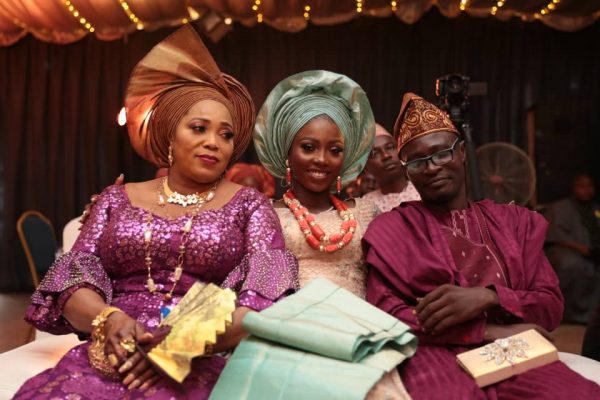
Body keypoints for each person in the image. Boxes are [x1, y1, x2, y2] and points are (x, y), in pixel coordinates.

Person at [14, 26, 298, 399]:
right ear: (169, 135)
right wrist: (108, 319)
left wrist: (176, 347)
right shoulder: (116, 199)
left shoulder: (249, 205)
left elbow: (265, 297)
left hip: (201, 352)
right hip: (112, 350)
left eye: (226, 135)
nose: (213, 142)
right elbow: (72, 278)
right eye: (198, 128)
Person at [363, 93, 600, 399]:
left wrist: (489, 298)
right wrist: (488, 331)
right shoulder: (394, 229)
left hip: (516, 349)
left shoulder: (513, 223)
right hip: (432, 351)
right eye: (419, 161)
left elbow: (549, 307)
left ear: (462, 152)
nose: (432, 168)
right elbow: (387, 315)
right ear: (408, 170)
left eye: (441, 154)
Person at [252, 70, 411, 398]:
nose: (321, 160)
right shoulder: (264, 214)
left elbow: (390, 281)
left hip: (361, 338)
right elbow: (261, 291)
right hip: (290, 338)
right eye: (308, 147)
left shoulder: (366, 212)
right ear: (287, 150)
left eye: (334, 150)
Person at [545, 173, 600, 323]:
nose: (586, 190)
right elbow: (556, 234)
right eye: (581, 186)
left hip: (591, 252)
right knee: (573, 265)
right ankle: (567, 315)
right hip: (564, 249)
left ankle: (592, 315)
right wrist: (582, 249)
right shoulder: (560, 207)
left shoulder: (595, 210)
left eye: (589, 186)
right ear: (574, 188)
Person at [362, 123, 420, 213]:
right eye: (375, 153)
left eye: (390, 147)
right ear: (366, 167)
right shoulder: (365, 205)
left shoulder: (422, 190)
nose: (386, 156)